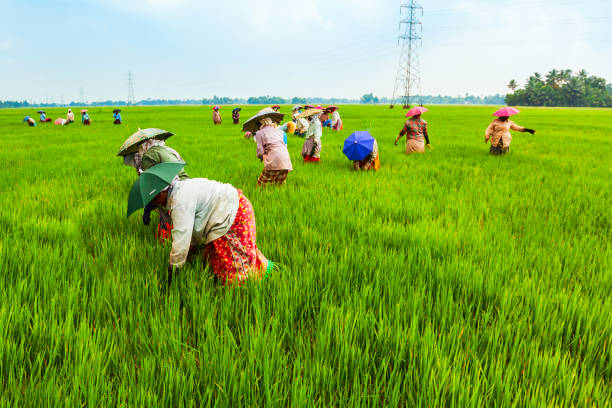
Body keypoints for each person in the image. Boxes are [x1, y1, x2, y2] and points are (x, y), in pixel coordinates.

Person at [133, 166, 272, 286]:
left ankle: (249, 293)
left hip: (233, 214)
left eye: (155, 198)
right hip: (232, 207)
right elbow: (190, 231)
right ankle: (266, 272)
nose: (156, 203)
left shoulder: (179, 201)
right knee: (217, 260)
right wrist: (190, 252)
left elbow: (181, 240)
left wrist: (172, 273)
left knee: (235, 270)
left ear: (163, 192)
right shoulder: (180, 190)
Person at [120, 129, 189, 241]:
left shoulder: (149, 156)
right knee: (184, 217)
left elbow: (151, 184)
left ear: (143, 145)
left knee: (167, 217)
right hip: (187, 185)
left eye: (139, 147)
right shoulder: (169, 150)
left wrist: (148, 207)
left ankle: (166, 242)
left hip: (169, 190)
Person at [253, 109, 293, 186]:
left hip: (273, 159)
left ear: (260, 123)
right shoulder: (280, 131)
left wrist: (261, 156)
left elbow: (260, 151)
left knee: (261, 184)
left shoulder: (259, 133)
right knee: (279, 184)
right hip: (286, 160)